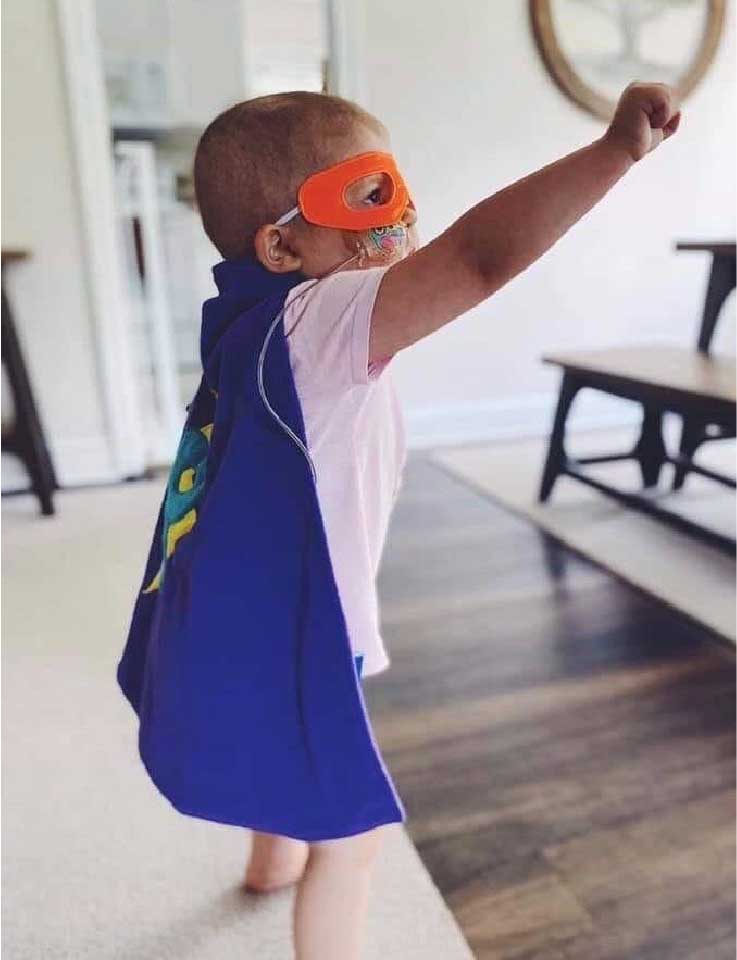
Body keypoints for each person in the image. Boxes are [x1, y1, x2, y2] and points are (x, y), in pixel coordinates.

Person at [118, 84, 680, 960]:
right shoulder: (324, 315)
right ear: (283, 243)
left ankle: (269, 863)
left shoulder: (249, 323)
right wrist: (610, 151)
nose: (407, 213)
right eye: (372, 193)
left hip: (248, 607)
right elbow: (478, 261)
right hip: (294, 626)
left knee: (290, 758)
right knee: (348, 834)